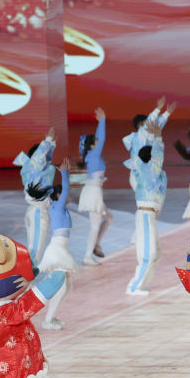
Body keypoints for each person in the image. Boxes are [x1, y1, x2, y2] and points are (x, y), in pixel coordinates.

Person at [126, 119, 166, 296]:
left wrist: (154, 138)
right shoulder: (146, 169)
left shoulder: (149, 170)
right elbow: (157, 156)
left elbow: (156, 157)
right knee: (148, 254)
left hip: (148, 215)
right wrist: (158, 138)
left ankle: (141, 284)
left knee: (156, 253)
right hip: (145, 215)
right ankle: (133, 286)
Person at [39, 159, 77, 330]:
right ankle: (47, 320)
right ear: (58, 195)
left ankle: (51, 317)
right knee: (62, 287)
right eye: (64, 194)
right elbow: (66, 188)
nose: (67, 196)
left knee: (67, 287)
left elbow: (66, 190)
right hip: (57, 250)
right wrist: (64, 173)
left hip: (61, 248)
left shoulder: (61, 208)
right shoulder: (57, 207)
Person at [77, 107, 111, 266]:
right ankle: (87, 256)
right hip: (93, 191)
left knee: (108, 219)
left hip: (93, 190)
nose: (98, 142)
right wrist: (103, 120)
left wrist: (99, 123)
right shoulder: (94, 155)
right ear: (91, 146)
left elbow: (98, 138)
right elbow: (101, 138)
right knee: (95, 225)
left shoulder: (91, 154)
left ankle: (96, 246)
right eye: (95, 142)